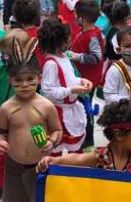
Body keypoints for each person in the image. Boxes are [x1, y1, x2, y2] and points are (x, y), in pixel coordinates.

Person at [0, 33, 62, 202]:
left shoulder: (46, 106)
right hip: (13, 166)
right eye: (18, 80)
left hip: (40, 167)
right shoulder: (7, 108)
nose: (24, 84)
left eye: (30, 79)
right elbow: (0, 133)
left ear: (39, 78)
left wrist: (52, 142)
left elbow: (57, 131)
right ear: (10, 80)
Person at [0, 2, 41, 202]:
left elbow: (41, 98)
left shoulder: (32, 75)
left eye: (9, 53)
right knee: (0, 158)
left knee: (24, 158)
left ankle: (26, 188)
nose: (5, 57)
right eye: (3, 53)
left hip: (22, 123)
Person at [38, 18, 92, 153]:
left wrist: (81, 81)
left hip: (71, 109)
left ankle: (75, 164)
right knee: (56, 148)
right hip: (59, 113)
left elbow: (69, 78)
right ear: (60, 42)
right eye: (68, 38)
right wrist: (71, 90)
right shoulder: (51, 63)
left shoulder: (64, 57)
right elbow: (47, 91)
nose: (70, 40)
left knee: (75, 147)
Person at [69, 0, 105, 147]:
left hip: (88, 81)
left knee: (85, 110)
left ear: (81, 18)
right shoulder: (86, 32)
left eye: (76, 14)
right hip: (82, 79)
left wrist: (76, 56)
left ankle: (88, 141)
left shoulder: (92, 36)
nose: (74, 17)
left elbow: (96, 57)